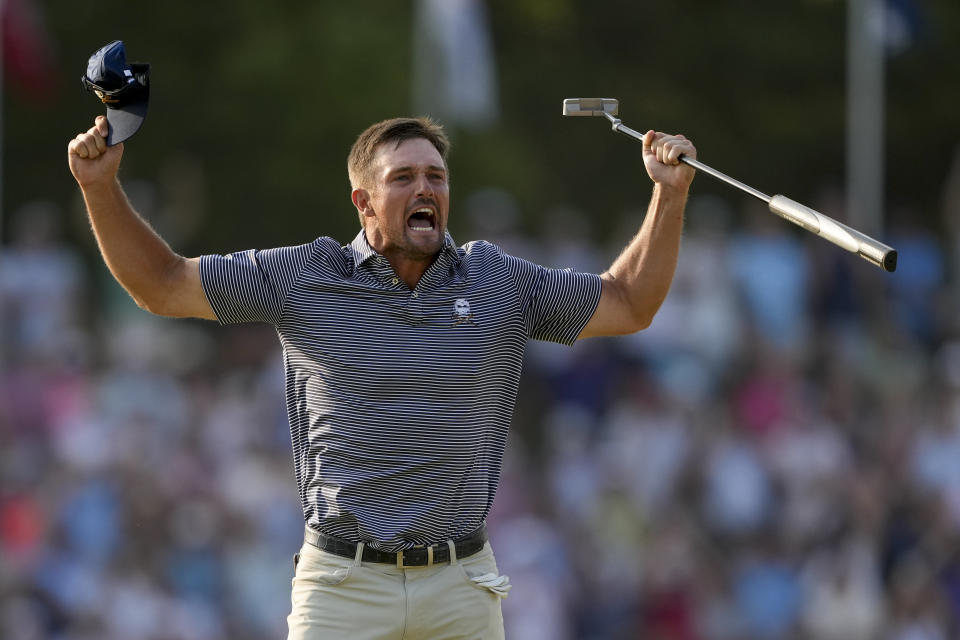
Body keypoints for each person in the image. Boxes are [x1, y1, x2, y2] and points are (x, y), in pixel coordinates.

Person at [67, 113, 696, 639]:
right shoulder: (303, 277)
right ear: (363, 201)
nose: (426, 189)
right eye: (404, 178)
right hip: (343, 585)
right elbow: (162, 285)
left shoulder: (500, 281)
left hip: (460, 583)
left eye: (436, 177)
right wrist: (100, 187)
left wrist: (668, 194)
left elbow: (629, 302)